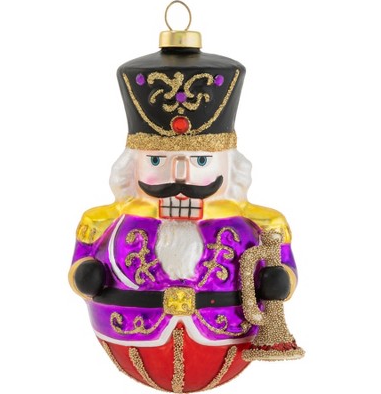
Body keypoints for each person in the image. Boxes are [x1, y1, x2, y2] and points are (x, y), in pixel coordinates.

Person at [69, 28, 298, 392]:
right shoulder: (102, 222)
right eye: (157, 160)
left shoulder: (263, 224)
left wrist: (279, 281)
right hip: (130, 335)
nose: (180, 177)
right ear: (131, 165)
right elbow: (79, 268)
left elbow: (286, 272)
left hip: (227, 339)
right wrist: (86, 276)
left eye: (201, 160)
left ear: (229, 166)